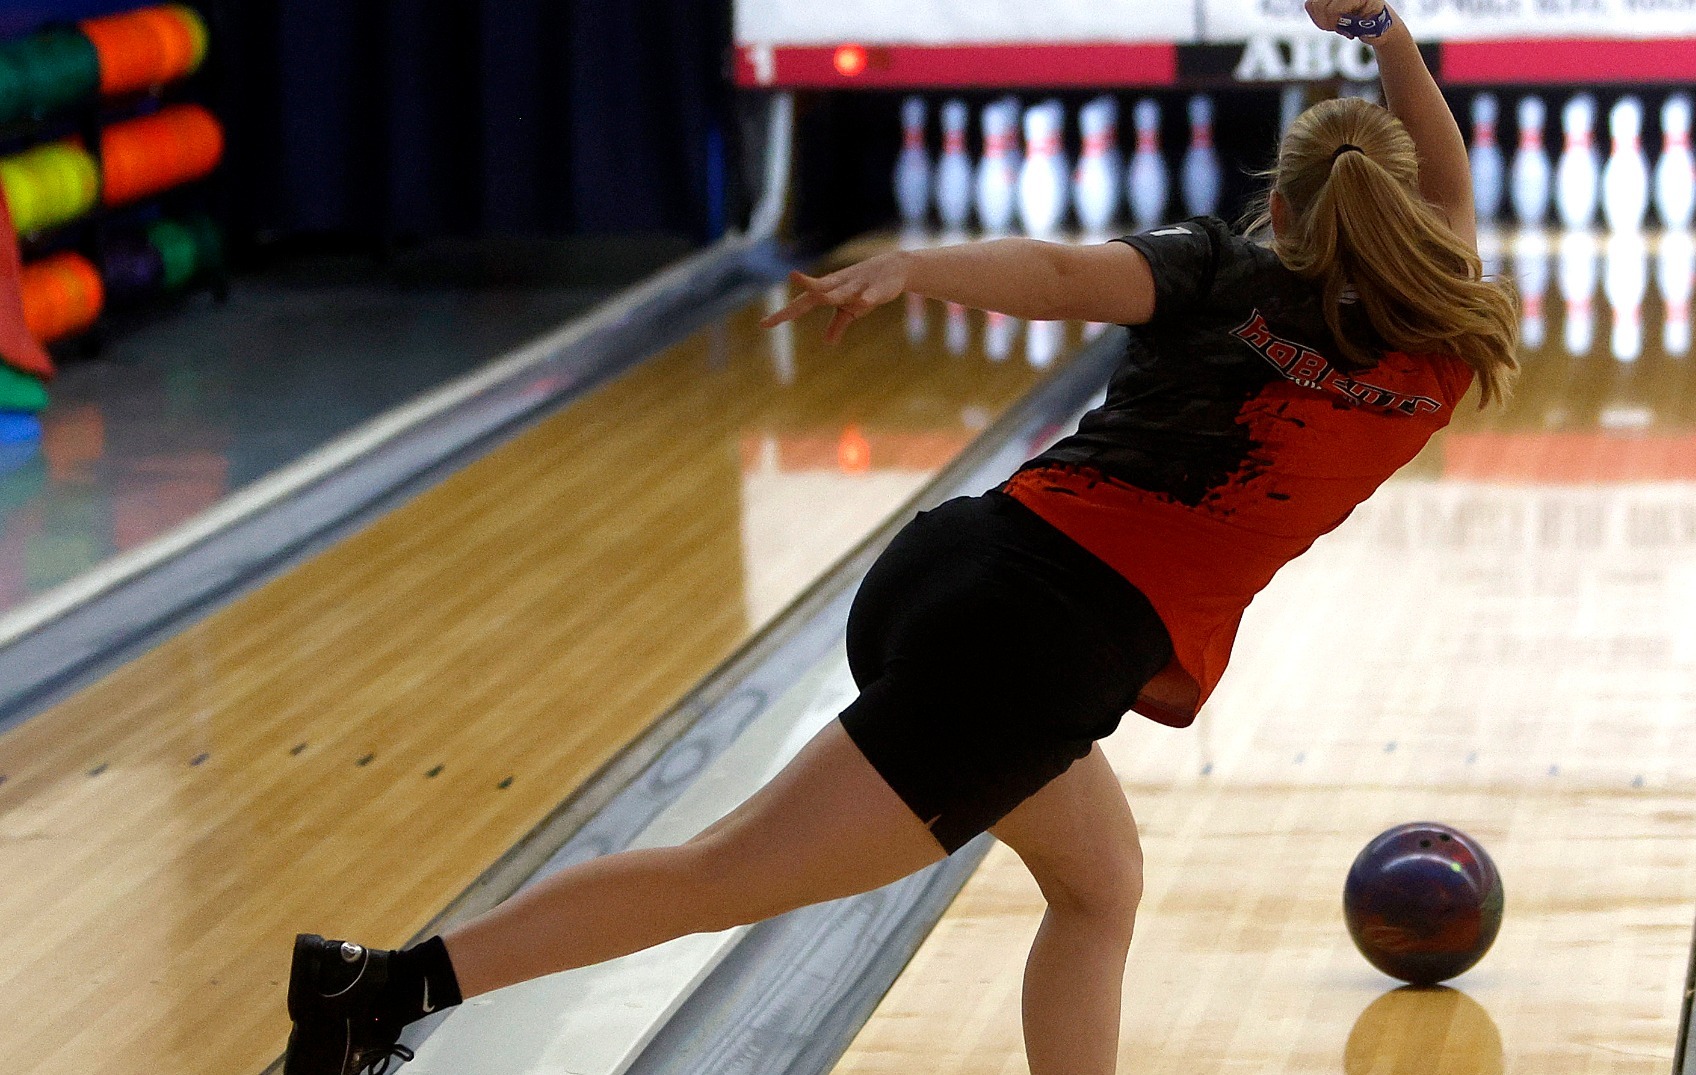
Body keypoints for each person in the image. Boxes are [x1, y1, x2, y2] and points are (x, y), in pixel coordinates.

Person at [279, 2, 1518, 1073]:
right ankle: (376, 990)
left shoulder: (1219, 273)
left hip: (965, 565)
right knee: (724, 875)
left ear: (1285, 203)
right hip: (1036, 649)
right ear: (1418, 218)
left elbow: (1054, 271)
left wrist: (915, 263)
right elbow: (1443, 182)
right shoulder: (1443, 335)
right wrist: (1386, 34)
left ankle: (377, 990)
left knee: (1097, 887)